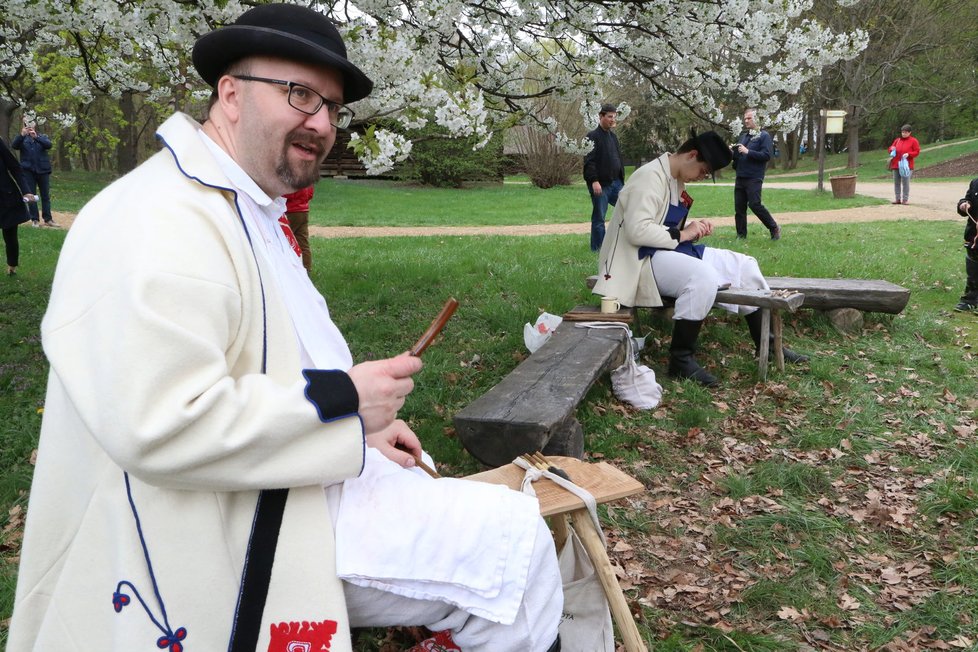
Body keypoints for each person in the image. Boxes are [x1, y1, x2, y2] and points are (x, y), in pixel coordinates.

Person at [7, 5, 563, 652]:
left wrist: (359, 435)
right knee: (518, 550)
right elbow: (160, 421)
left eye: (331, 106)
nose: (321, 122)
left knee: (512, 544)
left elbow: (266, 367)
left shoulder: (236, 204)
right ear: (231, 92)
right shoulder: (157, 217)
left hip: (269, 485)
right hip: (200, 529)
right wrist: (345, 405)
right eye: (299, 94)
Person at [594, 130, 808, 387]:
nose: (702, 177)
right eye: (704, 171)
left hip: (664, 251)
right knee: (702, 277)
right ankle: (681, 360)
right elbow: (638, 230)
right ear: (692, 155)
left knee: (745, 265)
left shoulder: (674, 178)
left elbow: (669, 226)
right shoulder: (649, 177)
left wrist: (691, 229)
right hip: (638, 261)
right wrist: (684, 233)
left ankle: (770, 347)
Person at [731, 108, 780, 240]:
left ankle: (773, 227)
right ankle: (741, 235)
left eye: (749, 118)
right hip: (740, 176)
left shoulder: (763, 136)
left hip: (754, 177)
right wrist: (733, 152)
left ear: (757, 119)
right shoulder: (744, 136)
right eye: (745, 118)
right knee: (739, 208)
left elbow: (767, 155)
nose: (746, 121)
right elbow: (738, 156)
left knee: (754, 204)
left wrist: (748, 152)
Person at [583, 103, 625, 251]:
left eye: (614, 117)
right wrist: (594, 181)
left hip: (617, 184)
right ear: (601, 116)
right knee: (599, 217)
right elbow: (589, 161)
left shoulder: (613, 137)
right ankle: (599, 248)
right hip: (601, 185)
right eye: (609, 116)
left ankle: (623, 244)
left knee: (628, 209)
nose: (612, 119)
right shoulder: (592, 136)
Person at [11, 118, 58, 228]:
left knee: (45, 196)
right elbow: (14, 145)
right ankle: (35, 219)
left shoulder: (42, 137)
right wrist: (22, 135)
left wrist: (36, 137)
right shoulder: (22, 138)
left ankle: (48, 219)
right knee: (31, 195)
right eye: (27, 124)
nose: (30, 126)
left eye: (31, 124)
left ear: (35, 125)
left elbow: (48, 145)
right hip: (28, 171)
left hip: (43, 170)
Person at [1, 137, 36, 276]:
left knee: (10, 235)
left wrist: (26, 190)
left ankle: (12, 266)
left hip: (5, 196)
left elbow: (15, 167)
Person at [953, 178, 978, 312]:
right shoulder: (975, 183)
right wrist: (963, 204)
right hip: (974, 237)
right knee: (973, 269)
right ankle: (970, 299)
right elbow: (966, 200)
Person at [888, 124, 921, 205]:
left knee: (905, 182)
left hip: (907, 166)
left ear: (910, 132)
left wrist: (909, 154)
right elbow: (890, 148)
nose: (904, 134)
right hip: (896, 164)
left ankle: (905, 199)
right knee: (896, 182)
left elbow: (917, 152)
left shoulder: (914, 141)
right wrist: (891, 149)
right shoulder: (897, 140)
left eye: (906, 132)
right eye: (902, 132)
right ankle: (897, 199)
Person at [284, 185, 314, 271]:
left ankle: (286, 269)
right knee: (303, 242)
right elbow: (310, 194)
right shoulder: (307, 176)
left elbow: (288, 194)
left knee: (284, 240)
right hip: (304, 211)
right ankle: (306, 268)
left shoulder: (292, 175)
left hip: (291, 211)